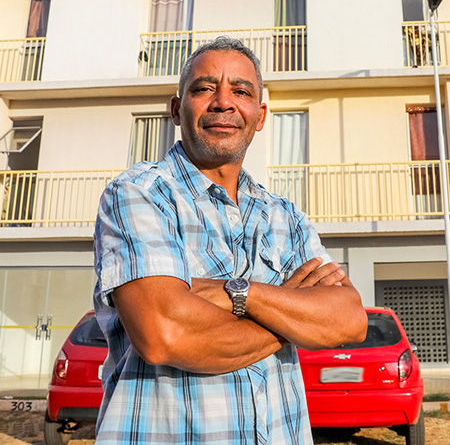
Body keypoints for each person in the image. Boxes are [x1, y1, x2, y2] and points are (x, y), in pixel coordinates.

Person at [92, 36, 368, 445]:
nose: (223, 101)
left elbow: (348, 319)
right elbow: (164, 333)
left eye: (241, 91)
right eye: (204, 88)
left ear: (260, 116)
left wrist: (237, 293)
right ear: (175, 109)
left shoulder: (285, 216)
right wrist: (291, 314)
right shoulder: (139, 194)